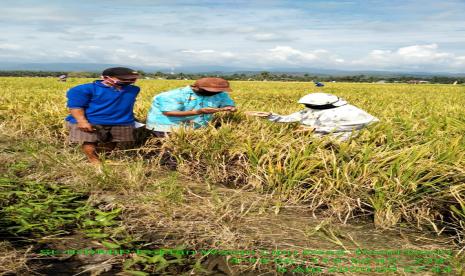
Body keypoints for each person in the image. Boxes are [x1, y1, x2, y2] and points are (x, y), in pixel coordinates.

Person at [65, 67, 140, 165]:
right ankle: (93, 160)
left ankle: (102, 157)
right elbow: (76, 107)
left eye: (132, 79)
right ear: (106, 78)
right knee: (90, 141)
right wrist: (82, 121)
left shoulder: (134, 90)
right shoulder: (83, 89)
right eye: (124, 78)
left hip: (121, 121)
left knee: (113, 141)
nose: (129, 81)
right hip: (92, 120)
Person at [245, 92, 379, 141]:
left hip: (344, 136)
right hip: (318, 135)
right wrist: (269, 115)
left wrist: (315, 129)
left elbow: (356, 126)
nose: (308, 107)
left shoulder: (350, 112)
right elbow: (288, 118)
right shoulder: (311, 110)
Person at [146, 77, 237, 137]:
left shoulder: (220, 94)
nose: (214, 93)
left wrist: (230, 107)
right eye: (211, 91)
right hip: (167, 126)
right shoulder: (173, 95)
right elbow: (168, 112)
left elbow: (227, 103)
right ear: (196, 88)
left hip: (195, 126)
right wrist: (198, 112)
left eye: (217, 91)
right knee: (171, 149)